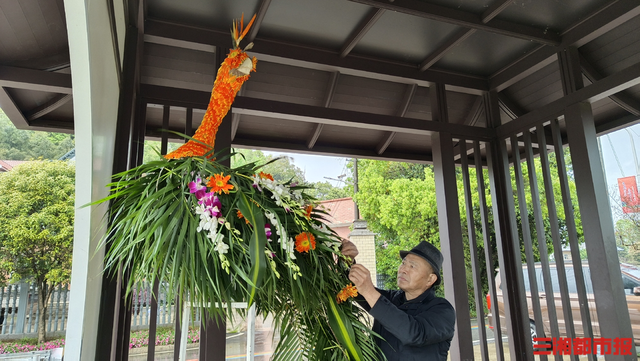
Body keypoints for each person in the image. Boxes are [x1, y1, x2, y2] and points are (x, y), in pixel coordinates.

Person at [342, 240, 455, 361]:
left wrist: (369, 290)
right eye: (403, 263)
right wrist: (347, 261)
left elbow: (413, 333)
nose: (403, 270)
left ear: (430, 279)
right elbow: (353, 289)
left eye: (412, 266)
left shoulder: (442, 309)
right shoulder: (392, 298)